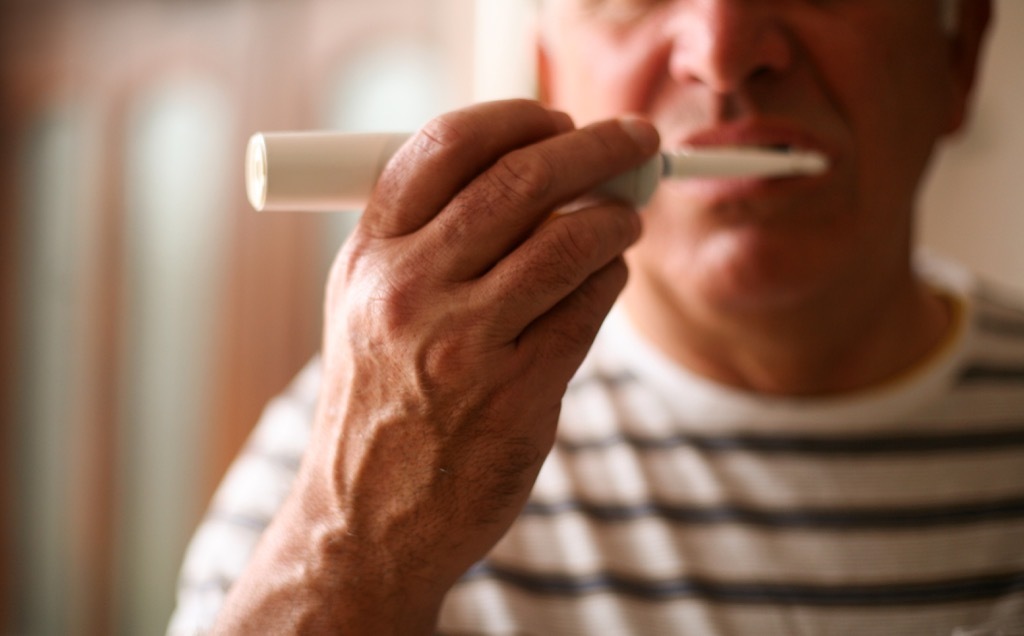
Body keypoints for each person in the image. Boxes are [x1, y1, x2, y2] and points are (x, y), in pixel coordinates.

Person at [169, 0, 1024, 633]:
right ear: (550, 77)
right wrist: (354, 553)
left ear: (962, 58)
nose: (723, 53)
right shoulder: (352, 449)